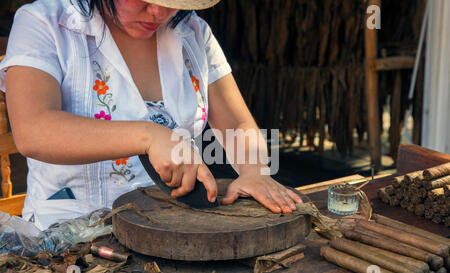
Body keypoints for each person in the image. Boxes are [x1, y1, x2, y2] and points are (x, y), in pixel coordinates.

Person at [0, 0, 302, 230]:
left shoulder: (193, 31)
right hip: (74, 233)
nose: (158, 12)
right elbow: (32, 130)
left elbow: (236, 122)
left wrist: (254, 171)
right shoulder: (45, 23)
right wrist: (149, 135)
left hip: (173, 229)